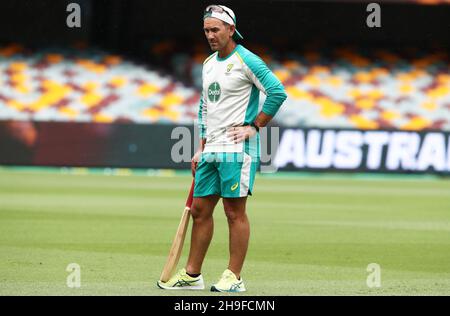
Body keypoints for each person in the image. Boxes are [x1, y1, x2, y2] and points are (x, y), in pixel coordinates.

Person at [157, 4, 287, 292]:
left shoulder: (247, 60)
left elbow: (277, 92)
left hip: (237, 151)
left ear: (231, 29)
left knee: (234, 213)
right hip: (211, 149)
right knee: (200, 211)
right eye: (206, 30)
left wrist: (255, 126)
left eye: (215, 29)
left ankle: (234, 277)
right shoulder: (207, 64)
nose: (210, 35)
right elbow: (206, 108)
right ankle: (192, 275)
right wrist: (200, 147)